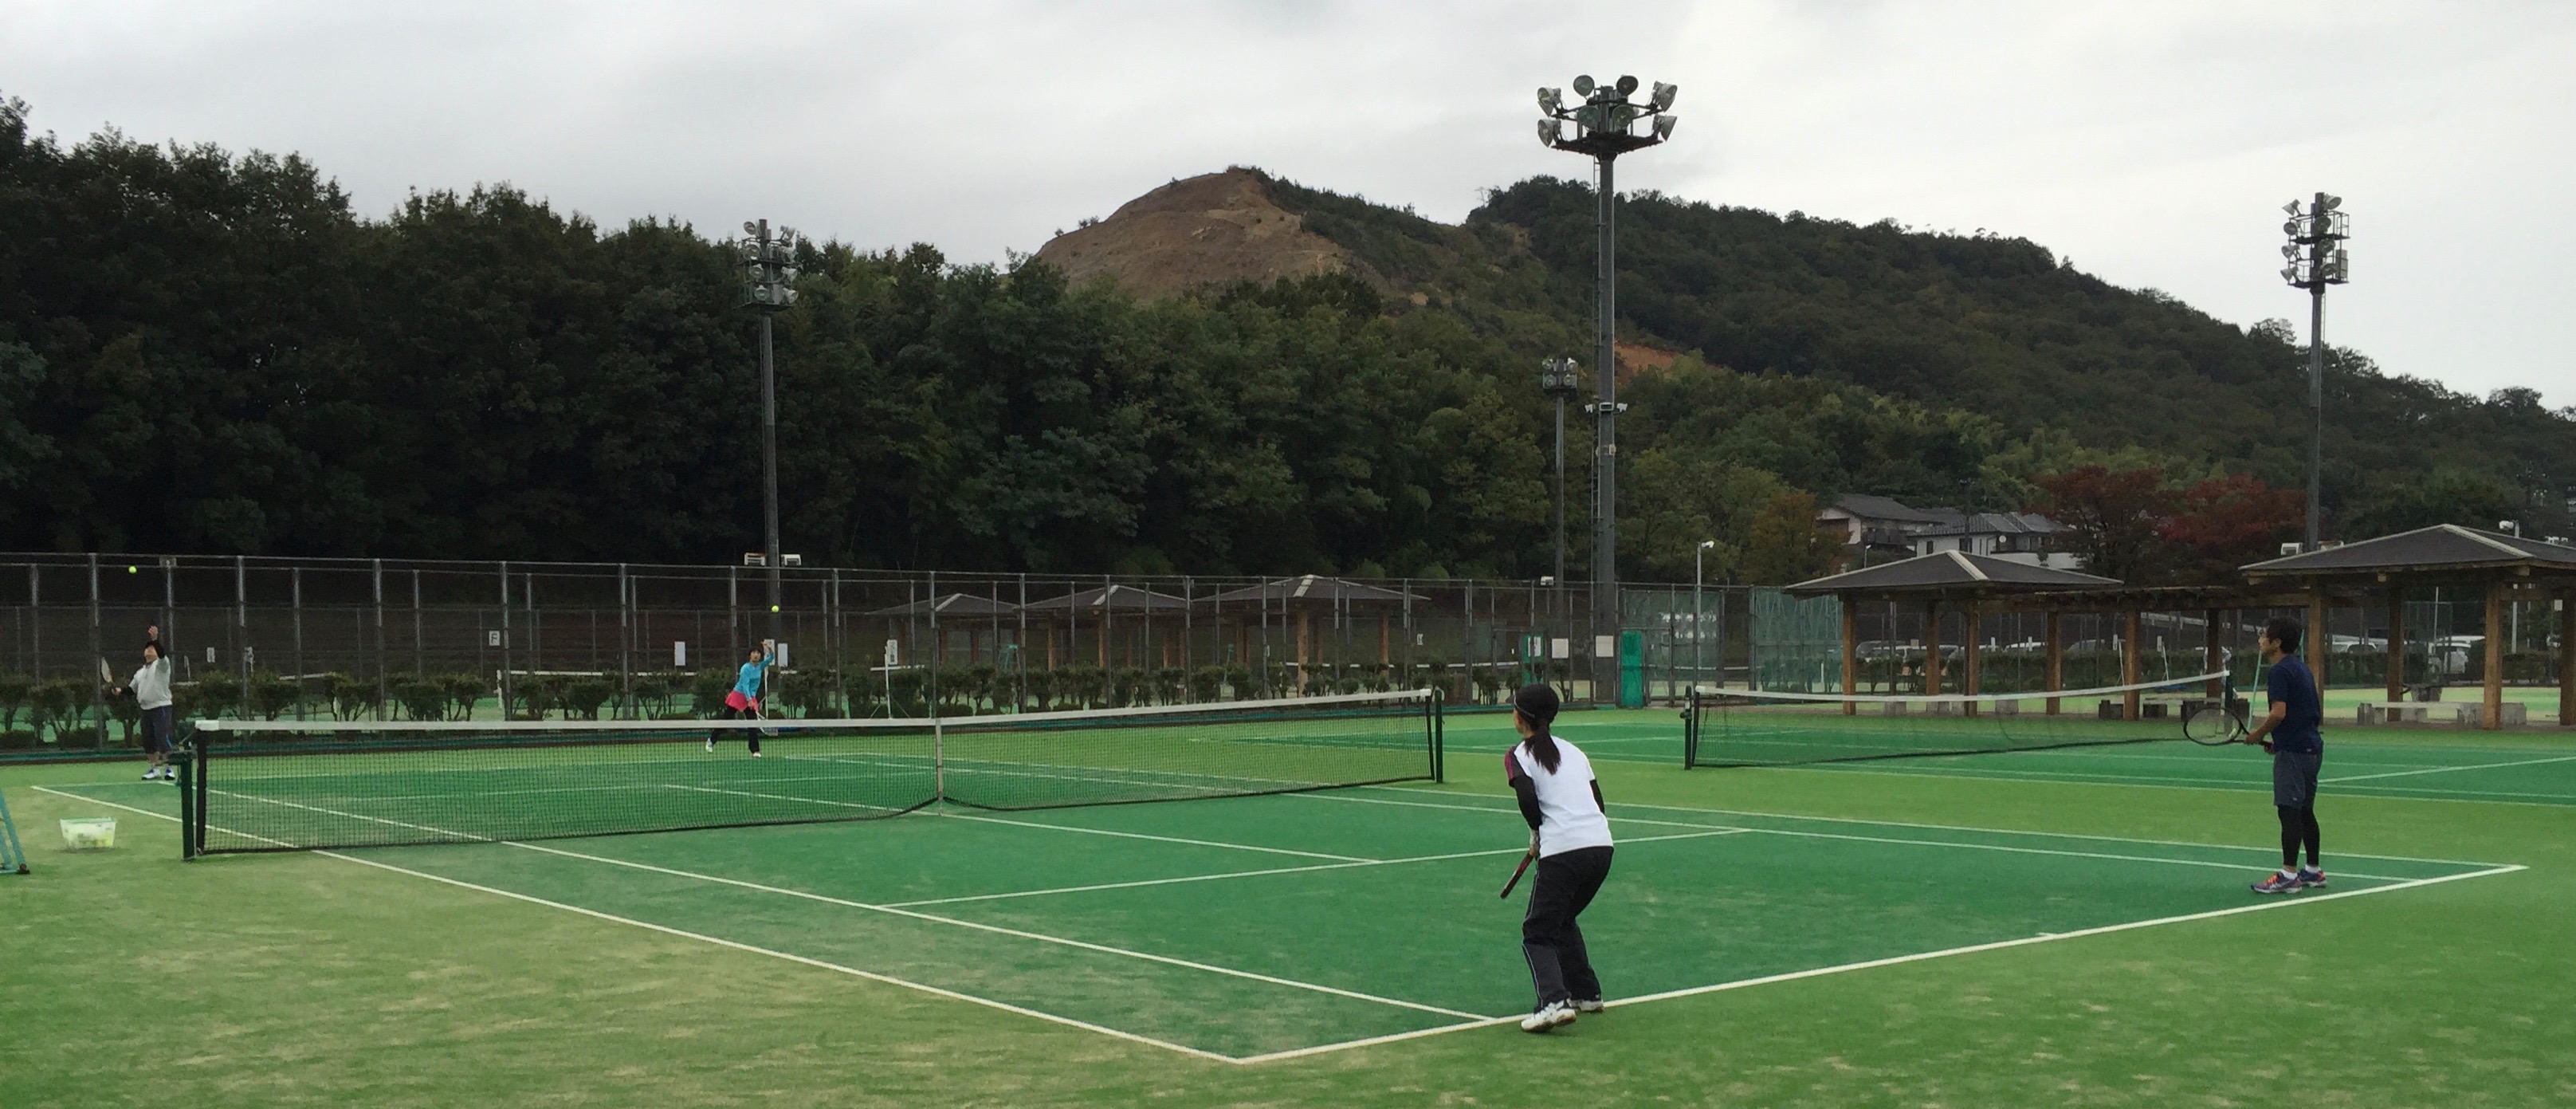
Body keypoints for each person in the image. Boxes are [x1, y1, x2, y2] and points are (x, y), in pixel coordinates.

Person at [1503, 682, 1615, 1032]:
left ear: (1521, 717)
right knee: (1562, 918)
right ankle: (1586, 993)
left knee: (1537, 931)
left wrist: (1537, 833)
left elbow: (1526, 798)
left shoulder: (1518, 755)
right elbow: (1598, 802)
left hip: (1563, 851)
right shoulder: (1575, 752)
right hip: (1602, 847)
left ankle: (1553, 1002)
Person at [2244, 616, 2326, 894]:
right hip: (2311, 748)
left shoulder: (2279, 671)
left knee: (2289, 811)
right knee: (2304, 810)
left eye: (2264, 635)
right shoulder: (2301, 668)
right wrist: (2277, 742)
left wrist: (2257, 734)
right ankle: (2313, 871)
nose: (2260, 639)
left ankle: (2289, 875)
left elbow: (2279, 713)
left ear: (2276, 642)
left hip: (2295, 751)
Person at [109, 633, 176, 782]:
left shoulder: (162, 665)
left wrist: (155, 640)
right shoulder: (140, 672)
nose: (150, 649)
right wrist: (120, 691)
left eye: (153, 648)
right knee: (148, 741)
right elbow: (131, 689)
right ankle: (155, 769)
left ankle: (169, 769)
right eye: (148, 648)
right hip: (146, 710)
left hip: (161, 707)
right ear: (144, 653)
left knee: (162, 738)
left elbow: (162, 653)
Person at [707, 640, 774, 757]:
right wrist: (749, 700)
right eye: (754, 653)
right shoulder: (745, 668)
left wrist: (770, 649)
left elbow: (770, 658)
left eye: (758, 653)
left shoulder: (760, 667)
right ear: (750, 655)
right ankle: (711, 741)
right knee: (726, 720)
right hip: (739, 695)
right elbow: (745, 685)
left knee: (752, 724)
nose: (756, 655)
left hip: (751, 698)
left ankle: (755, 750)